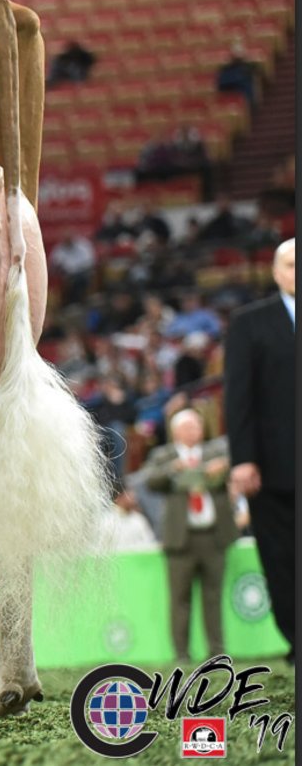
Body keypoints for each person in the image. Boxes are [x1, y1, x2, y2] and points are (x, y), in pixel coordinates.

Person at [224, 238, 295, 666]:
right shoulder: (250, 323)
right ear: (275, 272)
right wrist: (243, 460)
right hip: (272, 467)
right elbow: (238, 398)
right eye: (291, 264)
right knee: (281, 557)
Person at [143, 409, 236, 663]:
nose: (194, 431)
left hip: (214, 536)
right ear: (176, 432)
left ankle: (217, 651)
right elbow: (149, 480)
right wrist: (173, 468)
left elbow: (236, 467)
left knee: (213, 597)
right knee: (180, 598)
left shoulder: (216, 451)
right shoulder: (164, 455)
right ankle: (181, 654)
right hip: (180, 539)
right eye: (188, 427)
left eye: (196, 426)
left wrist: (223, 468)